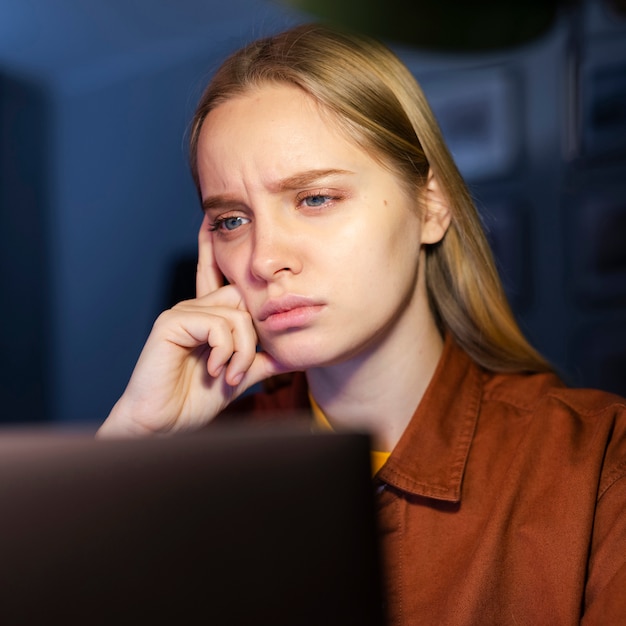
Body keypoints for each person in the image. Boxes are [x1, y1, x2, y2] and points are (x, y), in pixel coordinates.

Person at [97, 22, 626, 625]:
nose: (265, 258)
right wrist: (134, 443)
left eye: (315, 199)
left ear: (429, 205)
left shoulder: (600, 467)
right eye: (232, 220)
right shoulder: (194, 473)